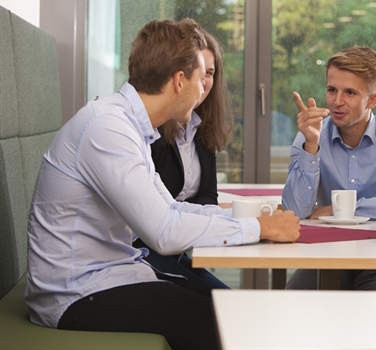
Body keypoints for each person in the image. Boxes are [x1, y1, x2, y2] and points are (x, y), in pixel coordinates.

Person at [25, 18, 301, 349]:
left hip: (115, 275)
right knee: (229, 324)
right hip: (76, 293)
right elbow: (164, 232)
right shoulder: (108, 127)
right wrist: (260, 229)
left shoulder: (129, 124)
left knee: (235, 309)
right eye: (201, 80)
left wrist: (254, 220)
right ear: (179, 81)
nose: (203, 91)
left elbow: (170, 208)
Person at [282, 46, 376, 291]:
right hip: (326, 255)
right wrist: (311, 146)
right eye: (332, 90)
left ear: (372, 99)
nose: (337, 101)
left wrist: (336, 211)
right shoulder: (311, 133)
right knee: (293, 305)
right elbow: (296, 210)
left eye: (350, 93)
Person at [134, 27, 234, 289]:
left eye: (209, 74)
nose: (203, 85)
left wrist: (250, 221)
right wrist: (254, 227)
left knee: (229, 302)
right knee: (225, 308)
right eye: (199, 75)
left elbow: (193, 202)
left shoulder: (201, 125)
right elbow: (160, 223)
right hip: (144, 250)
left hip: (169, 245)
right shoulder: (140, 130)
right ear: (179, 79)